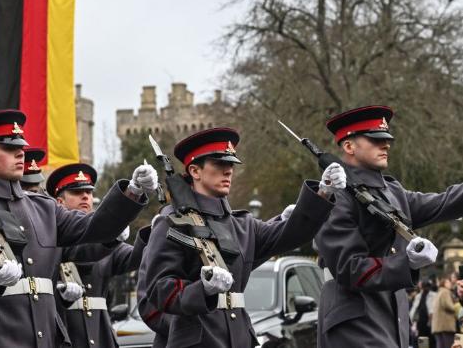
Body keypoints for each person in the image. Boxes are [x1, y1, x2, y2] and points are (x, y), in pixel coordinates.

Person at [0, 109, 153, 347]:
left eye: (21, 148)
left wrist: (132, 192)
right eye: (9, 149)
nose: (20, 154)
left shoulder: (44, 208)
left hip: (47, 336)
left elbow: (92, 227)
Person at [140, 127, 337, 347]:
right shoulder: (172, 221)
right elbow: (159, 289)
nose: (228, 171)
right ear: (195, 171)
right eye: (220, 164)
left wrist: (323, 193)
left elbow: (292, 234)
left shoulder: (242, 225)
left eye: (231, 164)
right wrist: (202, 289)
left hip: (240, 337)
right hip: (198, 339)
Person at [315, 106, 463, 348]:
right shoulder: (334, 193)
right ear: (349, 146)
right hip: (354, 318)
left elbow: (442, 202)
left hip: (390, 316)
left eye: (386, 139)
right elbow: (348, 267)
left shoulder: (392, 191)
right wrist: (407, 263)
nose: (386, 145)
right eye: (375, 140)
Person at [46, 163, 150, 348]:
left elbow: (136, 258)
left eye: (89, 192)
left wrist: (154, 234)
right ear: (59, 202)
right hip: (65, 336)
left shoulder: (106, 240)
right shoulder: (49, 238)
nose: (86, 196)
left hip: (101, 336)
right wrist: (58, 296)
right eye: (76, 192)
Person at [433, 275, 456, 348]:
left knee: (440, 345)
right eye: (449, 282)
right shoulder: (445, 292)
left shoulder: (439, 292)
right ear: (445, 283)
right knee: (448, 345)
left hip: (438, 326)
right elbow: (448, 305)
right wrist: (457, 307)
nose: (450, 284)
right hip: (446, 325)